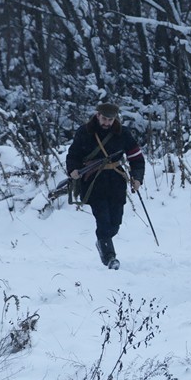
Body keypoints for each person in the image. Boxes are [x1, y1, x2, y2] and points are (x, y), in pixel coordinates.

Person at [66, 103, 144, 270]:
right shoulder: (85, 132)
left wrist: (137, 178)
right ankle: (110, 257)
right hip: (93, 182)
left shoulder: (123, 133)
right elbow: (73, 155)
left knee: (115, 223)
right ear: (97, 115)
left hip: (116, 182)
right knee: (103, 221)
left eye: (110, 119)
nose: (107, 123)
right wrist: (73, 170)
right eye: (104, 118)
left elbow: (136, 158)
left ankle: (102, 242)